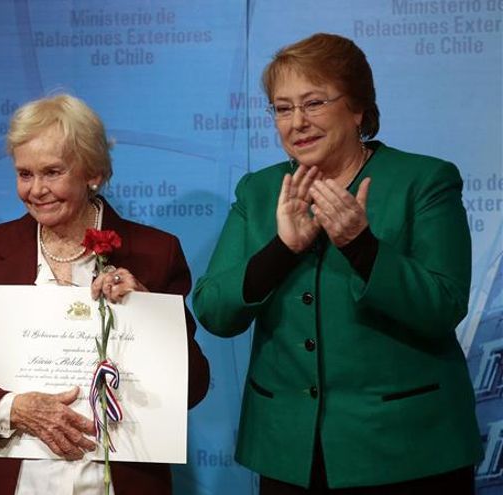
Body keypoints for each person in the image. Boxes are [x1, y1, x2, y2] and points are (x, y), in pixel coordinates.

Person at [192, 33, 481, 494]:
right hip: (290, 455)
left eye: (314, 103)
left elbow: (443, 305)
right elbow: (213, 310)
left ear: (358, 108)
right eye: (282, 108)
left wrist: (362, 246)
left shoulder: (424, 181)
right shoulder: (259, 191)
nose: (297, 122)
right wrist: (280, 251)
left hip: (409, 452)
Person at [0, 94, 210, 494]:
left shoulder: (154, 252)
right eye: (24, 174)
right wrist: (17, 410)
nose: (37, 190)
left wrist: (147, 310)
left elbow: (194, 387)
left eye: (53, 172)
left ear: (92, 171)